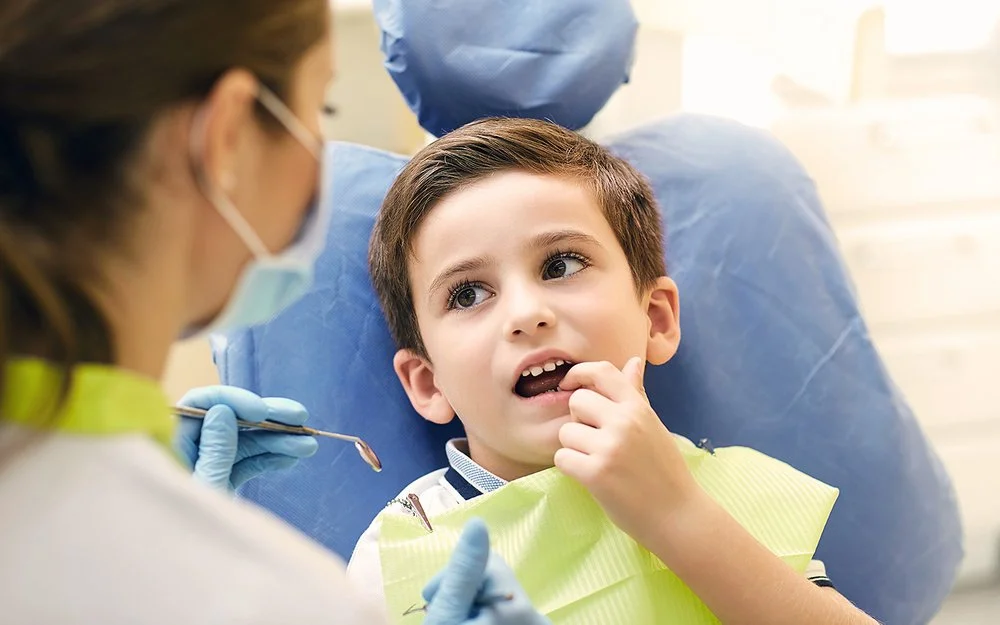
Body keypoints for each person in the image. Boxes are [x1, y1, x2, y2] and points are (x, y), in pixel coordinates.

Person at [0, 2, 549, 623]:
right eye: (318, 111)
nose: (528, 314)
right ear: (228, 137)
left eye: (560, 267)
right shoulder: (291, 600)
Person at [343, 117, 879, 624]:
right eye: (468, 294)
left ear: (655, 319)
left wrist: (680, 518)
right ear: (429, 383)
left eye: (561, 265)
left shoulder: (727, 497)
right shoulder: (398, 553)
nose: (527, 314)